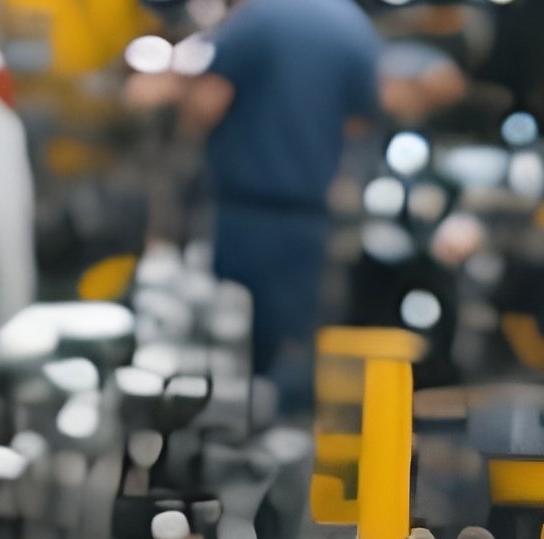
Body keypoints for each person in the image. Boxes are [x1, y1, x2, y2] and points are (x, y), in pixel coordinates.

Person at [125, 0, 389, 407]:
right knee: (293, 345)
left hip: (243, 211)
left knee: (225, 340)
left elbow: (210, 100)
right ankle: (289, 430)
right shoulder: (356, 29)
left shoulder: (258, 19)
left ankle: (231, 432)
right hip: (310, 218)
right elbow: (357, 123)